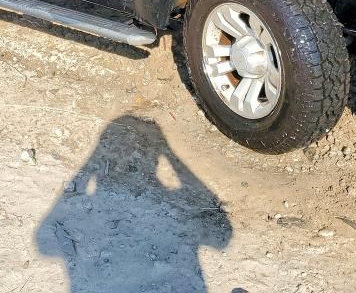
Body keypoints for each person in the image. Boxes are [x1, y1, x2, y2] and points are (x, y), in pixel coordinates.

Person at [36, 115, 233, 292]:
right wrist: (170, 155)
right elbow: (223, 237)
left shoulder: (88, 209)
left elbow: (45, 241)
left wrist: (90, 165)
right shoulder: (169, 203)